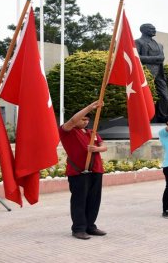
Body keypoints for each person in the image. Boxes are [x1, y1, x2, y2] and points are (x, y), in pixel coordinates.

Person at [59, 101, 108, 240]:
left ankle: (90, 226)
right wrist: (89, 108)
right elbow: (73, 120)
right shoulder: (67, 131)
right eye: (83, 119)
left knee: (94, 200)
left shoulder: (92, 133)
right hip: (78, 172)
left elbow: (103, 146)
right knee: (79, 201)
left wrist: (97, 149)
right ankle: (78, 229)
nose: (85, 121)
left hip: (96, 170)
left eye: (87, 119)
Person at [135, 23, 168, 122]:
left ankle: (162, 117)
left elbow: (162, 58)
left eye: (154, 29)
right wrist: (156, 59)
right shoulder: (138, 42)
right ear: (143, 30)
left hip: (159, 74)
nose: (154, 30)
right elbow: (137, 58)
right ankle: (145, 118)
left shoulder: (159, 45)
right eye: (151, 29)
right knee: (146, 97)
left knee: (164, 96)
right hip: (145, 73)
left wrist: (157, 59)